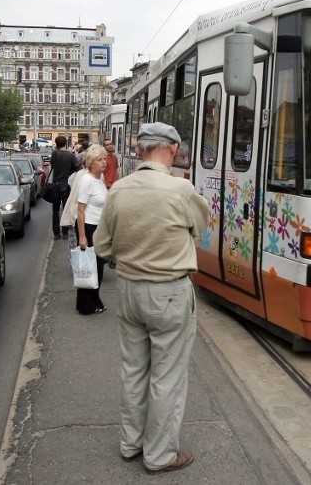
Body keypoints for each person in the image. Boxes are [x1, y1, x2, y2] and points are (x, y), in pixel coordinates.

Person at [94, 122, 210, 474]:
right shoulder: (180, 189)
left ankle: (130, 444)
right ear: (172, 149)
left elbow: (102, 245)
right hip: (169, 293)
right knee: (167, 376)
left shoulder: (119, 190)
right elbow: (201, 227)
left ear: (141, 149)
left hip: (129, 290)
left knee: (133, 370)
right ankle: (159, 455)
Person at [73, 144, 107, 315]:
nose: (104, 162)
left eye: (105, 159)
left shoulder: (99, 178)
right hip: (88, 227)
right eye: (100, 159)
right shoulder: (87, 180)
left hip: (98, 228)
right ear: (91, 162)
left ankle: (94, 300)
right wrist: (82, 236)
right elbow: (80, 209)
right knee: (90, 269)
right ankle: (87, 305)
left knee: (97, 269)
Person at [49, 135, 79, 239]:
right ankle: (65, 232)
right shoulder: (71, 155)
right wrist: (68, 173)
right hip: (66, 185)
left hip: (56, 185)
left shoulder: (55, 154)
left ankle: (56, 233)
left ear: (56, 144)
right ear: (65, 144)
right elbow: (77, 168)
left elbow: (52, 166)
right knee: (67, 209)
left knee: (55, 210)